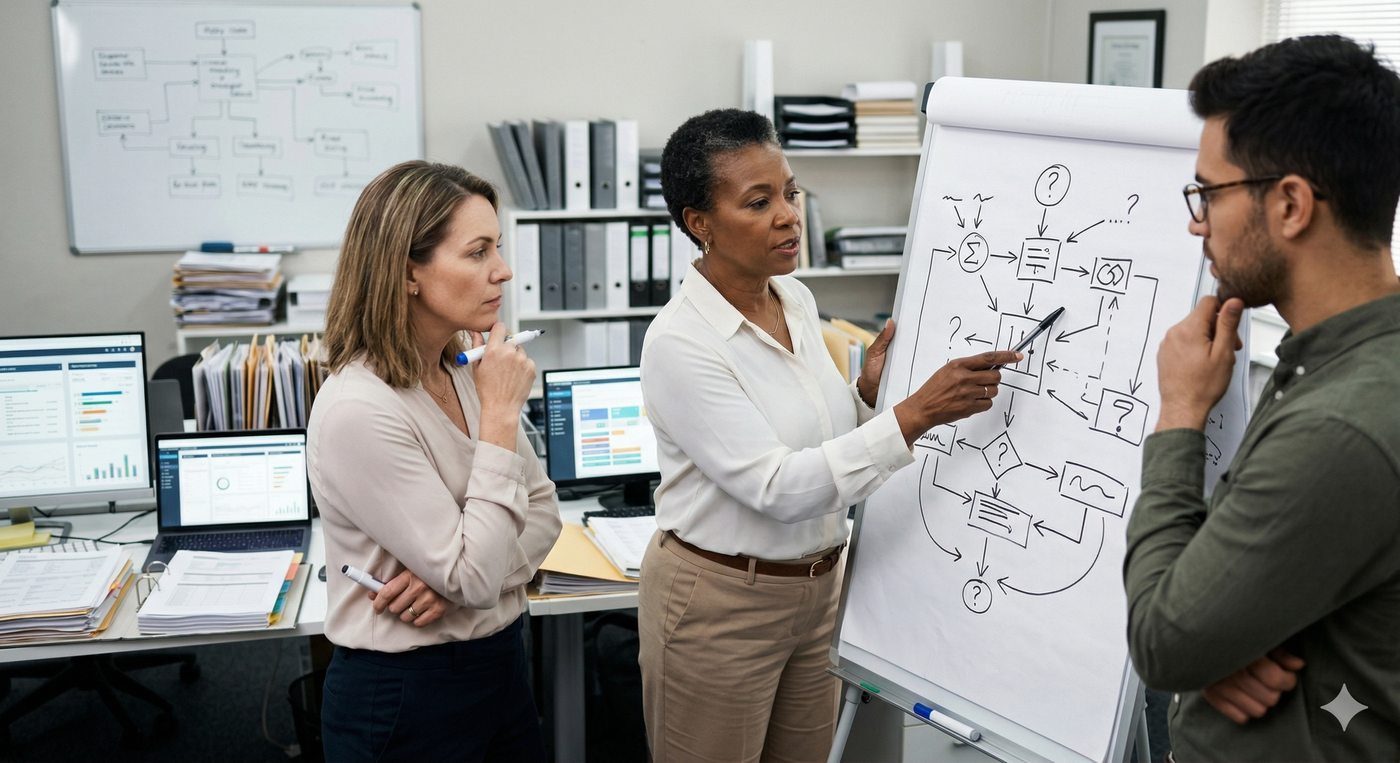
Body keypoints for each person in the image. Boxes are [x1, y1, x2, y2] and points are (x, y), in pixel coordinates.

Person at [637, 108, 1020, 762]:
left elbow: (816, 435)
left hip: (817, 592)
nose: (788, 215)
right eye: (759, 202)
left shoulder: (797, 299)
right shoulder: (680, 343)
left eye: (789, 191)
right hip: (721, 605)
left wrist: (866, 396)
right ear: (699, 223)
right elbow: (778, 485)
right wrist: (913, 414)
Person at [1123, 35, 1400, 759]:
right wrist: (1218, 638)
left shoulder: (1339, 426)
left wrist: (1181, 412)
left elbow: (1162, 638)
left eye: (1209, 193)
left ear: (1290, 204)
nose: (1196, 221)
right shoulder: (1345, 361)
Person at [309, 160, 562, 762]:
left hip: (499, 660)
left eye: (496, 248)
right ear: (407, 273)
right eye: (477, 252)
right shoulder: (359, 408)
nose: (502, 271)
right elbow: (473, 572)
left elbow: (546, 516)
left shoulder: (464, 370)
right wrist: (500, 419)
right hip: (406, 693)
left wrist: (460, 587)